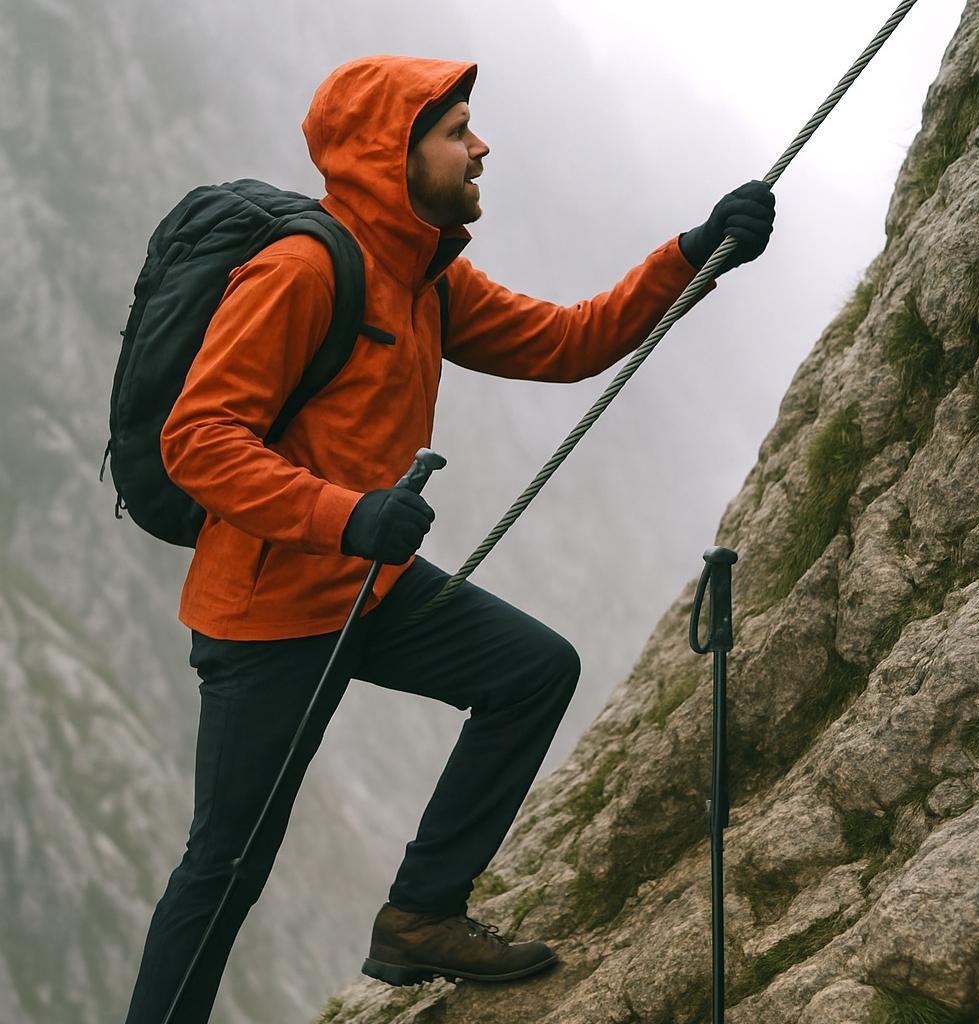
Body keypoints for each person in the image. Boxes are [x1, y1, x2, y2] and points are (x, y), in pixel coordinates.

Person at [122, 54, 775, 1022]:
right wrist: (350, 515)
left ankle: (420, 915)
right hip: (268, 617)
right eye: (455, 130)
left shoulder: (423, 273)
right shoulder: (304, 268)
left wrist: (692, 254)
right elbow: (198, 441)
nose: (479, 147)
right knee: (225, 866)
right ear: (395, 153)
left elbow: (566, 341)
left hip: (365, 588)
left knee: (530, 670)